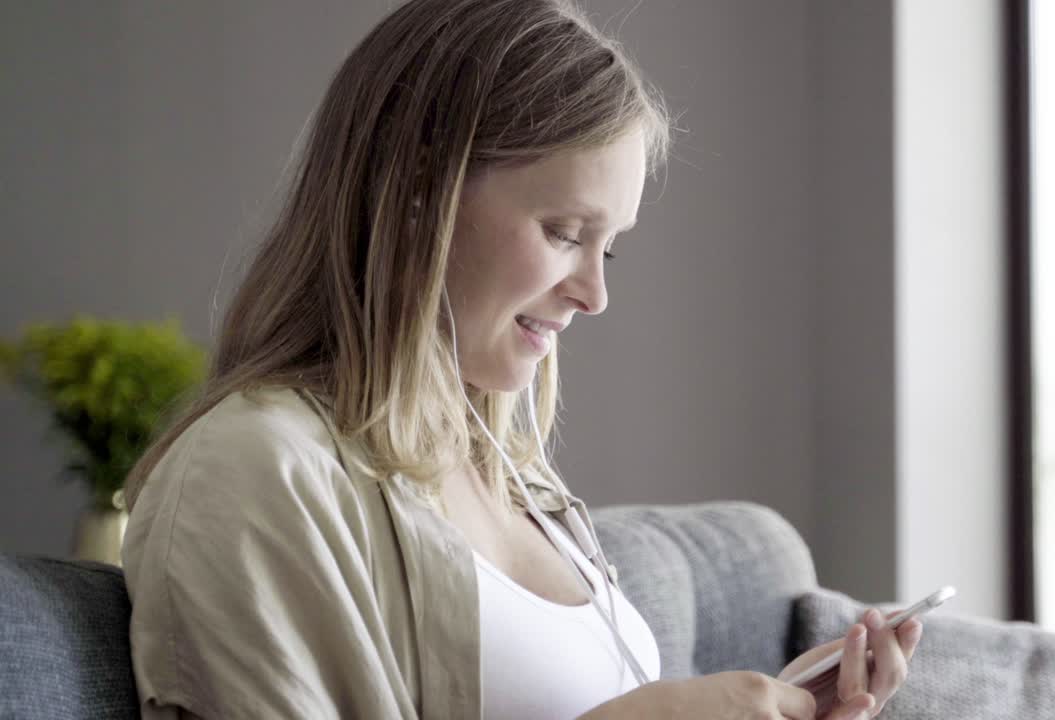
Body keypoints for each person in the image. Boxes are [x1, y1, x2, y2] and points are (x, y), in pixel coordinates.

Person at [120, 0, 923, 718]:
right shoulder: (250, 474)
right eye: (565, 233)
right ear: (417, 196)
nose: (594, 294)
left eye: (612, 249)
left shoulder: (512, 474)